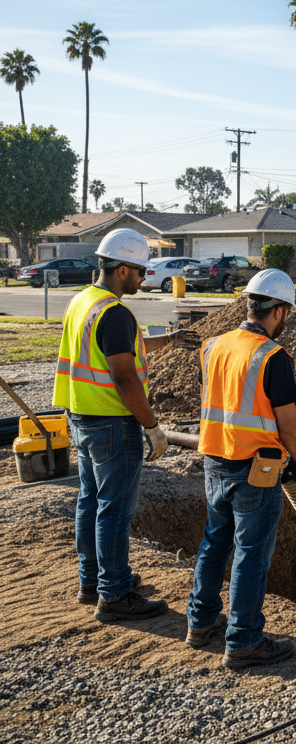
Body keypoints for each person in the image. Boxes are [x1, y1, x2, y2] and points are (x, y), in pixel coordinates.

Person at [54, 229, 183, 621]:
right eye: (141, 272)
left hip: (82, 417)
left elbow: (118, 350)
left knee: (91, 502)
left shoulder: (83, 302)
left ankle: (91, 582)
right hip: (112, 423)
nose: (145, 278)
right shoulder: (115, 312)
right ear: (122, 269)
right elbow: (124, 376)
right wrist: (151, 426)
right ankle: (114, 595)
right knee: (114, 510)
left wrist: (170, 340)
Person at [185, 268, 296, 670]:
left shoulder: (212, 345)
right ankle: (243, 641)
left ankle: (200, 623)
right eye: (287, 313)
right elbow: (288, 425)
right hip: (256, 470)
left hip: (214, 462)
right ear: (280, 312)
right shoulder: (273, 357)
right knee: (251, 555)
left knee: (214, 543)